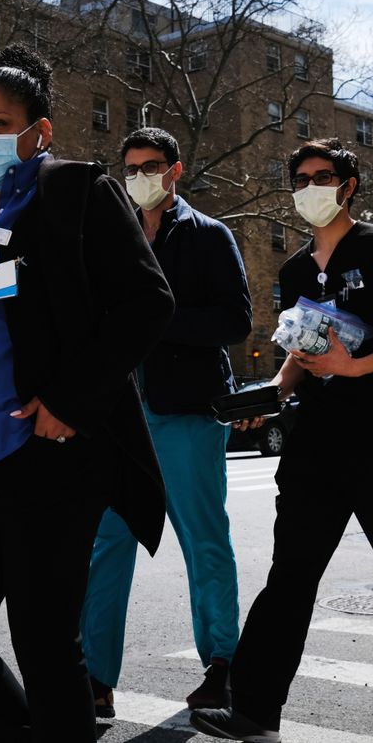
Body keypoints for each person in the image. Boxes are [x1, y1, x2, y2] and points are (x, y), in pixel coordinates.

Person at [0, 44, 176, 743]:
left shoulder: (77, 192)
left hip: (50, 454)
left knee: (45, 641)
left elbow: (148, 302)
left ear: (41, 131)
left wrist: (70, 398)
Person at [191, 137, 373, 741]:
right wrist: (272, 395)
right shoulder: (292, 270)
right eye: (302, 178)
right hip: (312, 446)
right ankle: (255, 711)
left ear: (348, 186)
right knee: (290, 575)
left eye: (324, 176)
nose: (311, 187)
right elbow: (300, 355)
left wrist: (359, 368)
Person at [80, 127, 251, 716]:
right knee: (106, 544)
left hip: (187, 414)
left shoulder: (210, 236)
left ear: (175, 170)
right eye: (130, 168)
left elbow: (235, 320)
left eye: (150, 166)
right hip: (119, 414)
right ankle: (95, 680)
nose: (139, 178)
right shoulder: (110, 234)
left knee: (204, 541)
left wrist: (156, 321)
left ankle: (223, 667)